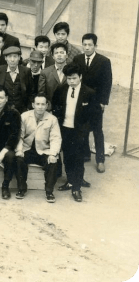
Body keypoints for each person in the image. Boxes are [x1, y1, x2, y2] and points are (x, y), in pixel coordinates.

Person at [52, 64, 97, 202]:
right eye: (69, 78)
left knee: (78, 158)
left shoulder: (88, 93)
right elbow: (55, 104)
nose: (71, 81)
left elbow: (94, 115)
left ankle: (76, 188)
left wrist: (85, 130)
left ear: (80, 77)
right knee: (67, 157)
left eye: (74, 78)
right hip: (64, 129)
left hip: (79, 131)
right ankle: (70, 181)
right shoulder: (61, 89)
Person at [74, 33, 112, 173]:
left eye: (90, 45)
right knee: (82, 126)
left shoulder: (104, 61)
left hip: (96, 101)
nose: (87, 47)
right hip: (81, 99)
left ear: (96, 46)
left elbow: (107, 83)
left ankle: (100, 160)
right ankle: (85, 154)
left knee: (97, 130)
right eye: (84, 45)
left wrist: (103, 102)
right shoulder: (77, 59)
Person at [15, 94, 61, 202]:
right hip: (27, 149)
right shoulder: (24, 116)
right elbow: (19, 136)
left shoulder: (52, 119)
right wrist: (19, 150)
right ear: (33, 105)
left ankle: (49, 191)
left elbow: (56, 138)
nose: (40, 107)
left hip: (43, 150)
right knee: (18, 159)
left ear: (46, 105)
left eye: (42, 104)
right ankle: (22, 189)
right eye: (37, 104)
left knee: (53, 162)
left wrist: (53, 153)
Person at [0, 47, 32, 113]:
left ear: (19, 58)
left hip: (21, 109)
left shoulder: (26, 71)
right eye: (9, 57)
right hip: (2, 109)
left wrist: (28, 107)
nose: (12, 60)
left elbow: (31, 91)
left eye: (15, 57)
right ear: (5, 58)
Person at [39, 42, 71, 112]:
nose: (59, 55)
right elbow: (42, 93)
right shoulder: (45, 72)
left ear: (67, 55)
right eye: (56, 53)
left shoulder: (72, 71)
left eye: (62, 52)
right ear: (52, 56)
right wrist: (48, 108)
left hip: (69, 109)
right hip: (50, 110)